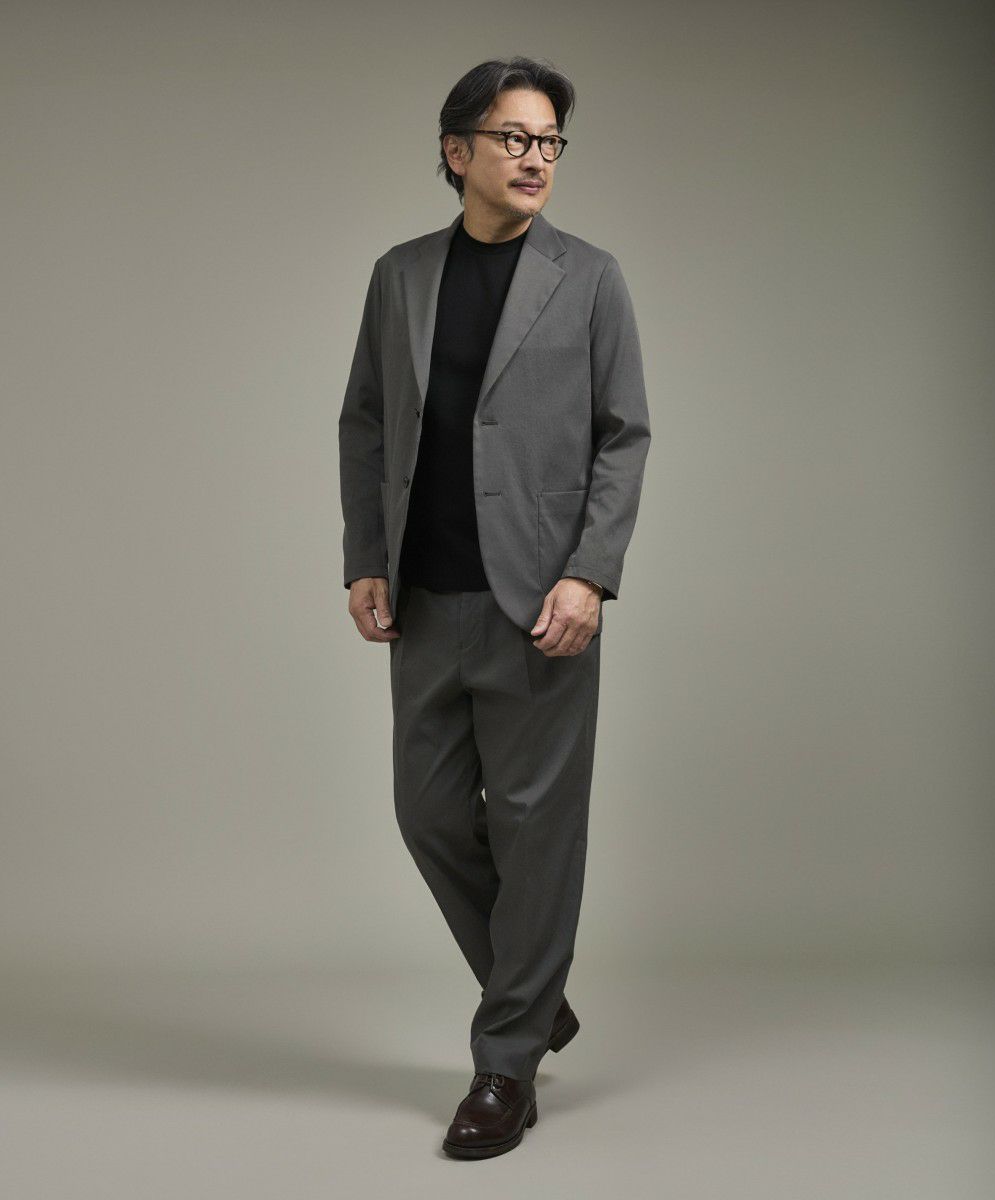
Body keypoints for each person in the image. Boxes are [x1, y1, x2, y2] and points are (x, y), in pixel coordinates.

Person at [338, 55, 651, 1159]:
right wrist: (365, 556)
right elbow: (366, 421)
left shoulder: (591, 278)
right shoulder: (401, 276)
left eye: (549, 141)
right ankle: (536, 993)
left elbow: (624, 435)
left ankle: (504, 1063)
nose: (535, 157)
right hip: (425, 599)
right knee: (427, 813)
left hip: (541, 604)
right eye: (514, 137)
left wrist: (590, 573)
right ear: (455, 150)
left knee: (535, 833)